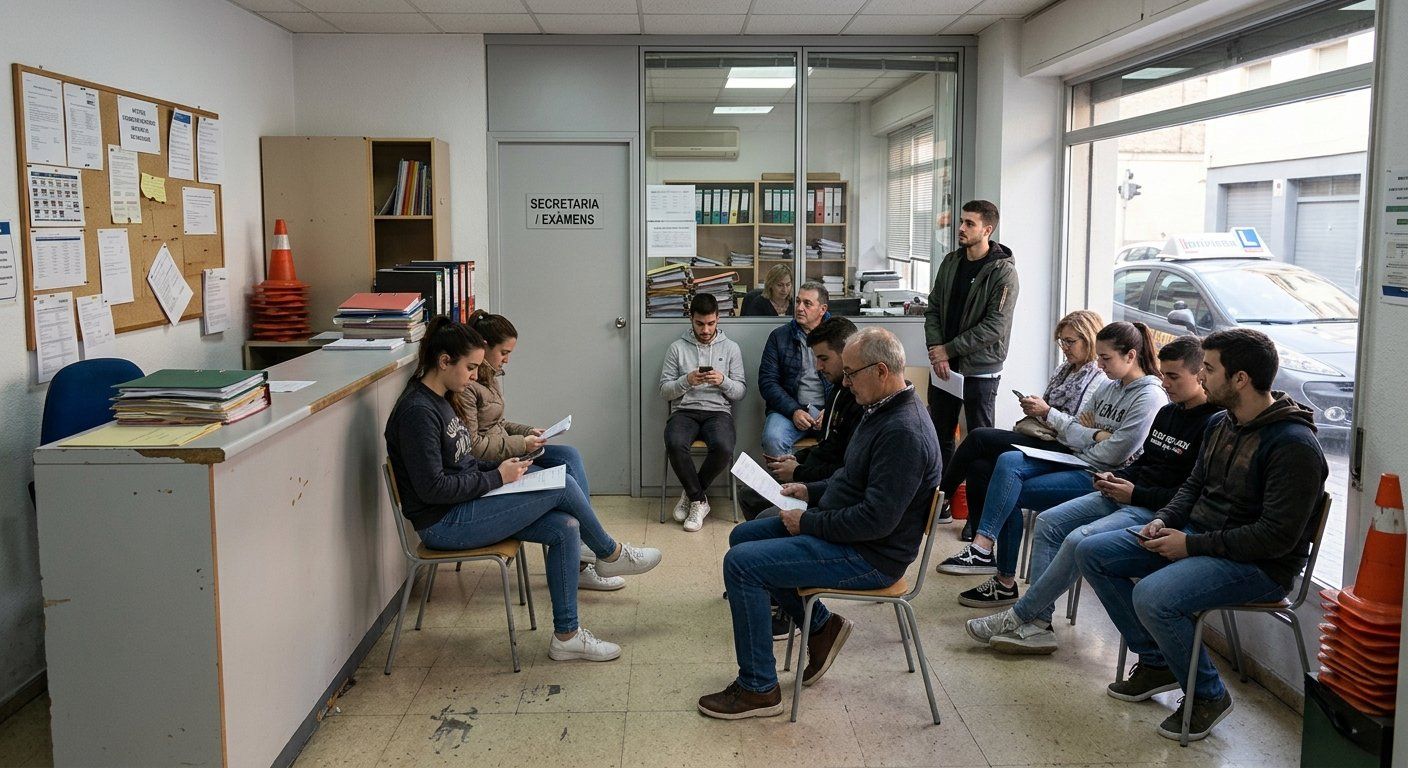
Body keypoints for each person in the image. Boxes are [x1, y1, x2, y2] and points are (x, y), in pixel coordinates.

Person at [1074, 328, 1327, 742]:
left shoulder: (1293, 445)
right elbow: (1192, 486)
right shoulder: (1222, 423)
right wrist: (1165, 519)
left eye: (1209, 368)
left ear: (1240, 378)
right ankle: (1157, 662)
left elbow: (1274, 537)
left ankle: (1208, 694)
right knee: (1092, 552)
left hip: (1257, 565)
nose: (1201, 376)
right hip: (1200, 535)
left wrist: (1189, 545)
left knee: (1153, 596)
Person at [384, 317, 662, 662]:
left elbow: (463, 461)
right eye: (470, 367)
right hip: (444, 523)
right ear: (444, 361)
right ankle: (610, 553)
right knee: (562, 485)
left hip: (468, 503)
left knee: (566, 527)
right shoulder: (418, 412)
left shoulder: (443, 398)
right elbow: (434, 488)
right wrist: (498, 477)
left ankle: (567, 636)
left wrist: (507, 470)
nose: (475, 375)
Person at [697, 328, 940, 719]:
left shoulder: (903, 432)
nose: (844, 383)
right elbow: (850, 480)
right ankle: (823, 627)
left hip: (871, 555)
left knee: (742, 565)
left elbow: (875, 521)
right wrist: (809, 490)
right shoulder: (880, 408)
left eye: (851, 374)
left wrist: (808, 523)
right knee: (744, 536)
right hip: (848, 530)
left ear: (880, 371)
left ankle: (759, 688)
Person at [965, 336, 1222, 654]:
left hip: (1152, 507)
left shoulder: (1211, 422)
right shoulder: (1169, 413)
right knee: (1047, 521)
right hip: (1121, 489)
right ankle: (1039, 624)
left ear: (1200, 375)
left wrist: (1135, 492)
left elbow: (1187, 491)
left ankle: (1021, 615)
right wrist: (1118, 478)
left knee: (1078, 540)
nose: (1165, 383)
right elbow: (1140, 460)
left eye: (1173, 377)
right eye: (1164, 374)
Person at [937, 322, 1167, 609]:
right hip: (1074, 457)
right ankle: (983, 550)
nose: (1100, 365)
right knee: (1006, 462)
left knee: (1006, 485)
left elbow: (1115, 454)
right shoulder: (1108, 387)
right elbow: (1072, 429)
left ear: (1131, 356)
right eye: (1099, 357)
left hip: (1100, 476)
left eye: (1106, 358)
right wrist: (1095, 434)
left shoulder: (1150, 397)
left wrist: (1085, 436)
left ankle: (1003, 581)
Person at [461, 310, 620, 590]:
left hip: (508, 449)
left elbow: (497, 422)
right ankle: (599, 552)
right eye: (504, 352)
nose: (507, 359)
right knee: (564, 483)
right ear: (484, 346)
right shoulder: (467, 384)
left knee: (569, 455)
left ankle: (583, 550)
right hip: (496, 463)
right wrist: (522, 444)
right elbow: (474, 446)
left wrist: (527, 431)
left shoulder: (488, 375)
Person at [941, 310, 1105, 541]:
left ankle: (939, 498)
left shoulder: (1099, 378)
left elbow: (1078, 428)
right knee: (979, 466)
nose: (1065, 347)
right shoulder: (1064, 369)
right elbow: (1062, 414)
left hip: (1065, 447)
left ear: (1089, 339)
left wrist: (1047, 412)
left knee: (978, 437)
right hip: (1047, 434)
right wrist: (1040, 410)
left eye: (1070, 341)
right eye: (1062, 341)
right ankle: (977, 533)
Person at [924, 200, 1020, 471]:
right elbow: (933, 309)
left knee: (981, 438)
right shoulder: (951, 262)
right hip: (944, 365)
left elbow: (995, 326)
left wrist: (948, 349)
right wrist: (936, 348)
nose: (961, 228)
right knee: (938, 434)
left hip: (980, 370)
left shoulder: (1003, 272)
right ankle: (939, 500)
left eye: (969, 223)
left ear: (987, 229)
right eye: (961, 221)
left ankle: (980, 506)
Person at [739, 316, 861, 520]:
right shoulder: (839, 390)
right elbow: (827, 447)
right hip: (811, 463)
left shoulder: (858, 399)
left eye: (823, 359)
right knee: (749, 495)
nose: (818, 367)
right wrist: (797, 459)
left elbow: (844, 470)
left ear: (846, 353)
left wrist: (798, 472)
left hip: (829, 490)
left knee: (763, 517)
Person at [660, 293, 747, 532]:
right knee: (675, 442)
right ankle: (699, 499)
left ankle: (692, 494)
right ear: (691, 319)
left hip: (718, 412)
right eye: (700, 324)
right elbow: (665, 391)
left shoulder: (731, 348)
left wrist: (722, 380)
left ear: (718, 318)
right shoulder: (677, 348)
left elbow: (740, 392)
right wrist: (686, 381)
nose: (706, 329)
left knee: (724, 447)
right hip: (684, 411)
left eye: (711, 323)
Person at [759, 282, 832, 456]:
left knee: (855, 439)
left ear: (822, 309)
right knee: (772, 439)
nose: (799, 308)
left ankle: (821, 484)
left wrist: (832, 410)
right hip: (790, 409)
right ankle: (790, 483)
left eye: (807, 304)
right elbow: (767, 382)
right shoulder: (779, 336)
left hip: (829, 410)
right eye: (798, 301)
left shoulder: (839, 335)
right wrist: (794, 410)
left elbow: (851, 380)